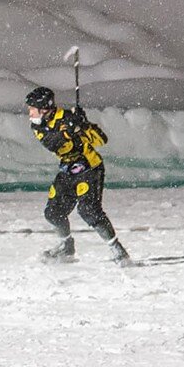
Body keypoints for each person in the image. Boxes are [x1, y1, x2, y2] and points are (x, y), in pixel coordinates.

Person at [25, 86, 130, 265]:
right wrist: (67, 131)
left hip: (90, 169)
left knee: (89, 211)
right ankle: (66, 246)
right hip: (67, 170)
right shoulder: (38, 127)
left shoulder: (69, 117)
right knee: (53, 212)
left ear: (44, 109)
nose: (30, 114)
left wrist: (83, 125)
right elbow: (52, 143)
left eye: (32, 109)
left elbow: (101, 140)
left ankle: (117, 249)